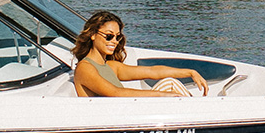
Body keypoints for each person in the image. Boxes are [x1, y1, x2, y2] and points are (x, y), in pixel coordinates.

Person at [71, 11, 208, 98]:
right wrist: (162, 95)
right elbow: (115, 93)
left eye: (117, 37)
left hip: (125, 111)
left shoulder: (111, 66)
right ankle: (203, 118)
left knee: (169, 82)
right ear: (93, 35)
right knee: (170, 89)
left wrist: (190, 72)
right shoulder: (85, 68)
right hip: (115, 120)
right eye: (108, 36)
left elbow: (152, 71)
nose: (114, 41)